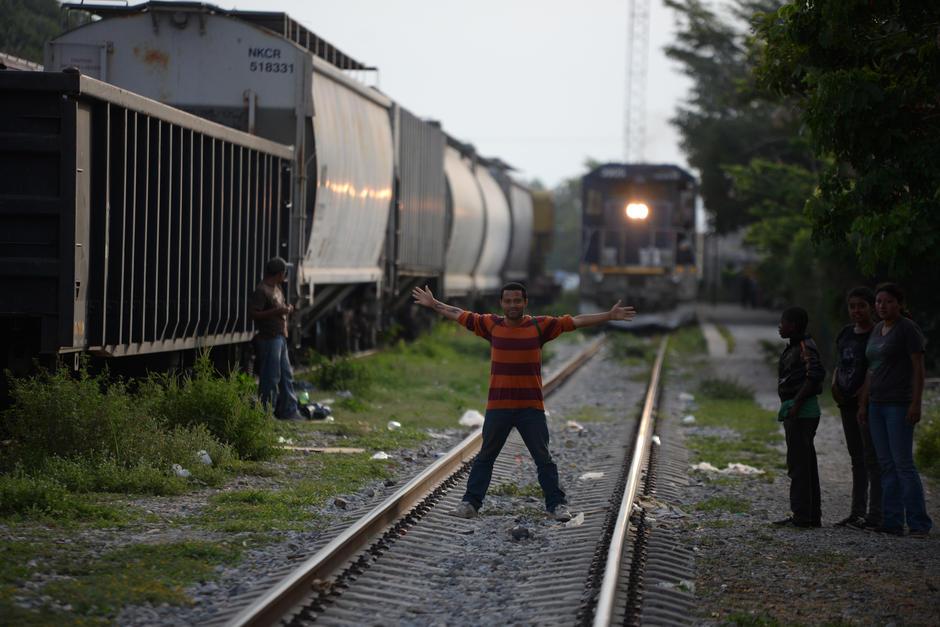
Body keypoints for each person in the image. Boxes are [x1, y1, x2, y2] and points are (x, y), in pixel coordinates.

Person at [412, 282, 636, 522]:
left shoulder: (540, 326)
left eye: (517, 301)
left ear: (525, 303)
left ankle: (557, 505)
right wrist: (433, 304)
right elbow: (457, 314)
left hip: (531, 408)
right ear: (501, 303)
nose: (512, 305)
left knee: (543, 459)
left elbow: (575, 321)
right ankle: (470, 504)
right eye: (508, 301)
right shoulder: (491, 325)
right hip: (499, 407)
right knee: (485, 457)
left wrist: (609, 316)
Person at [857, 283, 932, 537]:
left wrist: (916, 402)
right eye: (879, 302)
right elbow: (872, 368)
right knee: (885, 464)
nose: (882, 306)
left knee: (903, 464)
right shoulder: (877, 329)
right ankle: (892, 521)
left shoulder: (907, 329)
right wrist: (863, 403)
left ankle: (919, 522)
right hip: (876, 403)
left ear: (899, 304)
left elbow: (919, 369)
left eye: (888, 302)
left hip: (899, 404)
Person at [832, 287, 882, 529]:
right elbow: (841, 363)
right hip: (846, 402)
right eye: (852, 306)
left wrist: (864, 397)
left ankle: (875, 514)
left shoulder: (877, 334)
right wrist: (834, 384)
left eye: (861, 306)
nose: (856, 311)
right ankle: (857, 511)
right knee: (856, 458)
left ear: (871, 307)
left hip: (869, 404)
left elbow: (874, 369)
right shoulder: (845, 333)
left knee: (872, 457)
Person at [774, 306, 825, 528]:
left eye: (782, 322)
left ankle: (802, 516)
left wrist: (796, 403)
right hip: (797, 411)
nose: (779, 326)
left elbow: (814, 376)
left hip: (802, 413)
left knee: (799, 465)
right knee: (805, 464)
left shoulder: (805, 347)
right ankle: (810, 515)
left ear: (793, 325)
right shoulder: (797, 346)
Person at [248, 257, 303, 421]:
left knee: (286, 375)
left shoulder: (277, 288)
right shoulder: (262, 290)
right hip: (268, 338)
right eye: (284, 271)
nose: (285, 274)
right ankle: (265, 413)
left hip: (280, 337)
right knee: (270, 377)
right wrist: (277, 312)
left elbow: (279, 308)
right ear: (279, 273)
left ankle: (289, 410)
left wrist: (287, 310)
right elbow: (253, 314)